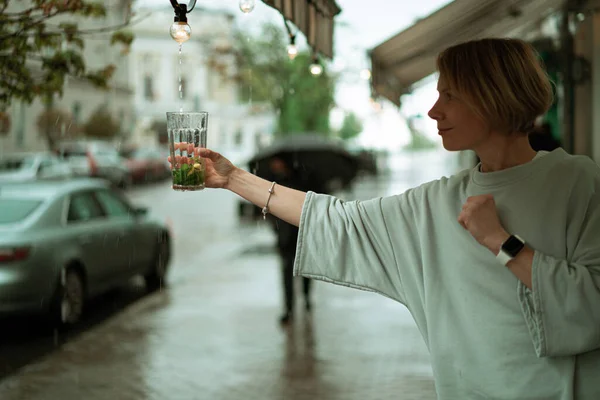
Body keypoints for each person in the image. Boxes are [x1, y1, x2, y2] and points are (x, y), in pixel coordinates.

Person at [179, 38, 600, 398]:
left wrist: (502, 243)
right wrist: (233, 179)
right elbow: (336, 221)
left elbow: (593, 304)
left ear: (493, 94)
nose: (435, 111)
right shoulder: (437, 202)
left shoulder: (579, 183)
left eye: (450, 95)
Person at [267, 157, 313, 325]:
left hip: (303, 234)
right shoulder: (274, 183)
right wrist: (274, 225)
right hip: (284, 236)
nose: (275, 166)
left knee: (306, 270)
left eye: (278, 162)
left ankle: (307, 299)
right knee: (287, 273)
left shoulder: (302, 180)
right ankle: (289, 308)